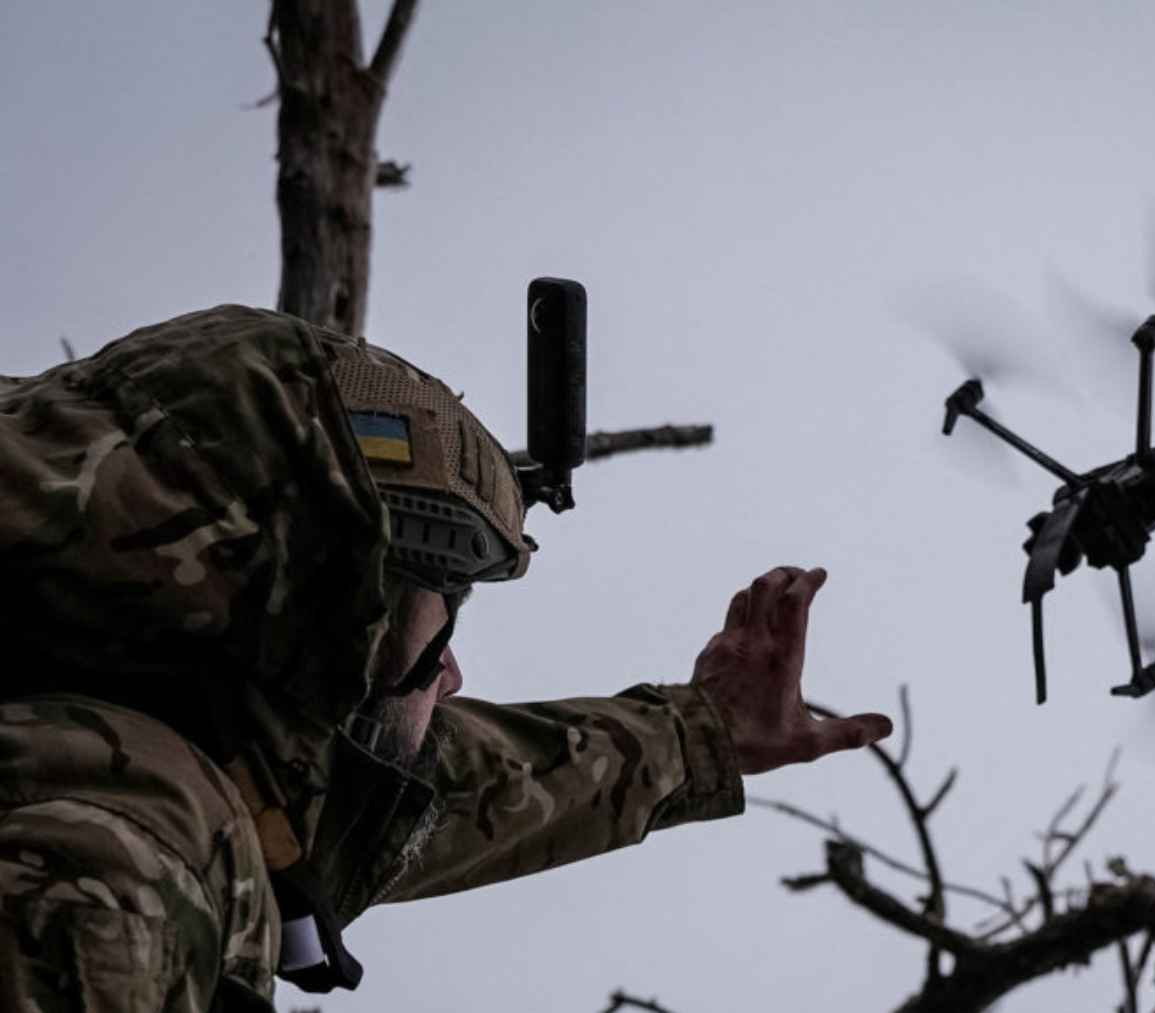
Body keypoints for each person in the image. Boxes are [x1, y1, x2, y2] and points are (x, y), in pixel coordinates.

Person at [0, 304, 892, 1011]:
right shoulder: (108, 858)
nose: (454, 676)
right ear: (335, 619)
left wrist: (697, 736)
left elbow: (424, 784)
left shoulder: (110, 724)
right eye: (445, 615)